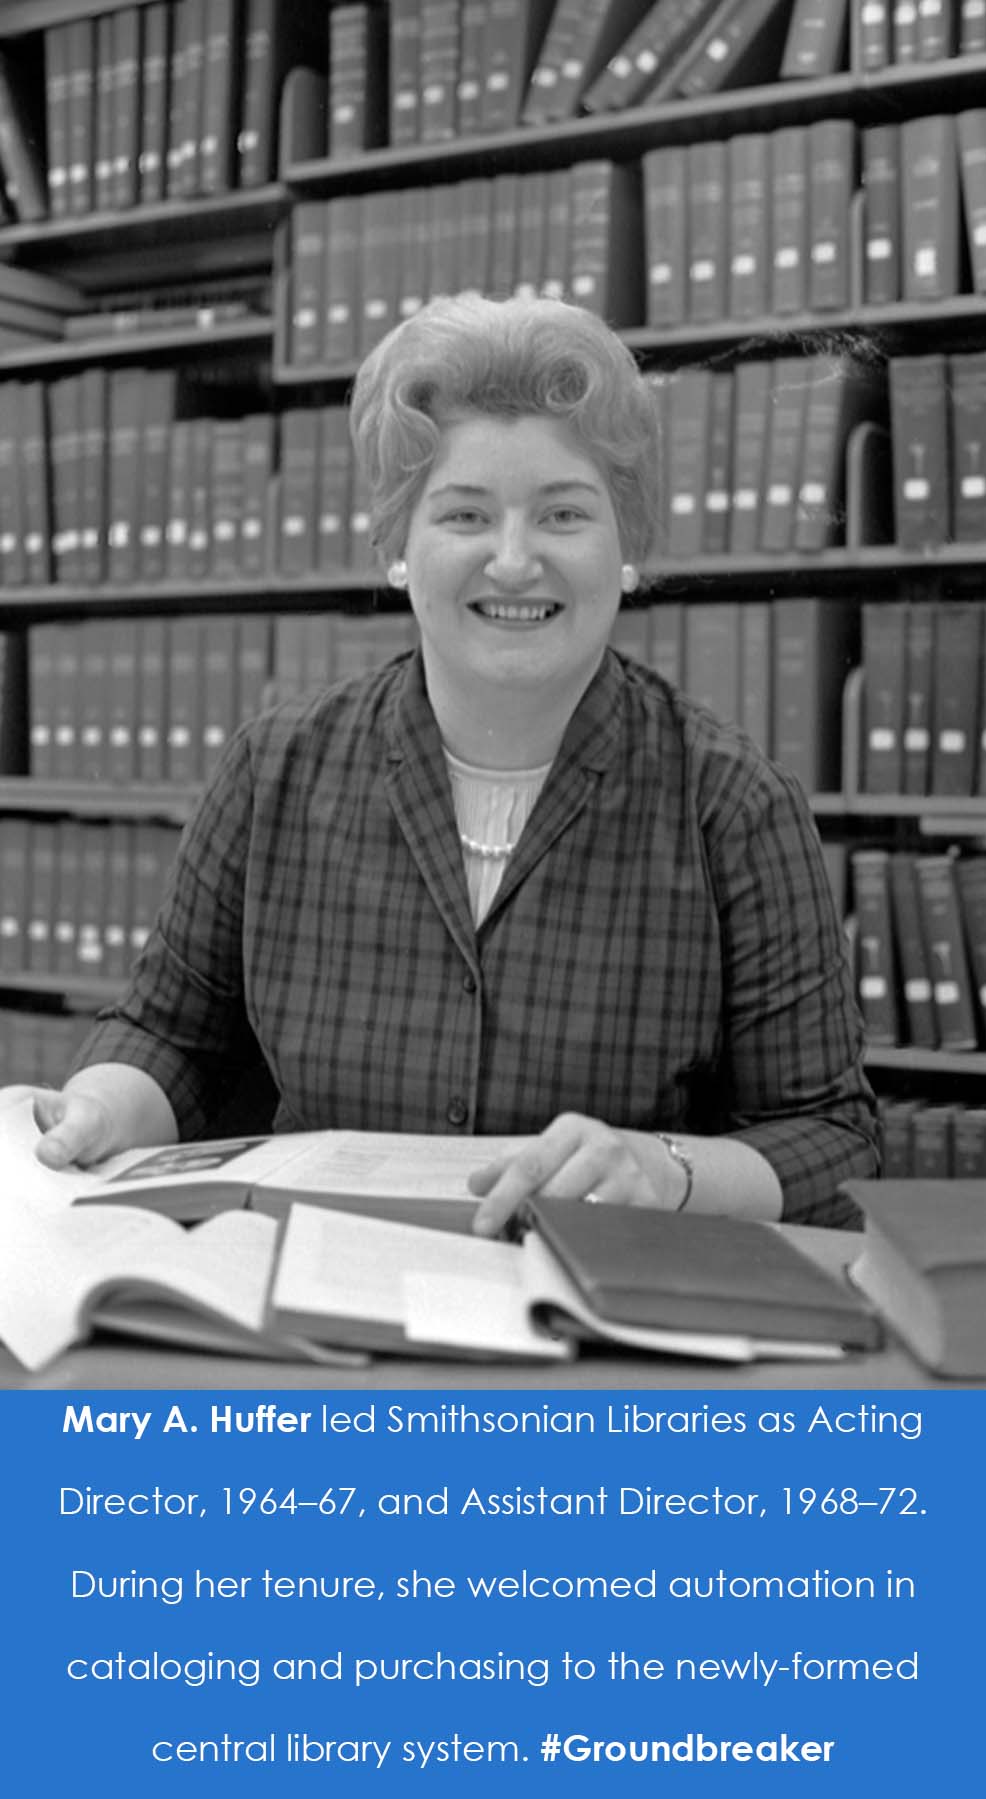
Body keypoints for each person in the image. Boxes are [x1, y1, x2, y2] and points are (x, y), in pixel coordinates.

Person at [29, 292, 877, 1232]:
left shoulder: (734, 804)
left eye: (563, 515)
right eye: (465, 515)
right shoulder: (275, 770)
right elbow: (168, 1035)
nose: (514, 561)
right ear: (398, 546)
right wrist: (101, 1108)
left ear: (628, 547)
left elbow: (831, 1134)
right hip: (317, 1309)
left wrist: (667, 1169)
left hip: (598, 1331)